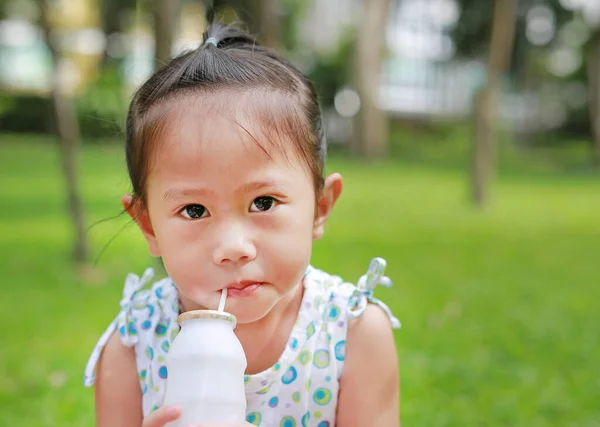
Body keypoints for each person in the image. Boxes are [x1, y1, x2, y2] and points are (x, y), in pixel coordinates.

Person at [84, 22, 401, 427]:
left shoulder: (352, 334)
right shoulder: (133, 344)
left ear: (320, 208)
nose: (234, 247)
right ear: (148, 226)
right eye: (195, 211)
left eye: (263, 202)